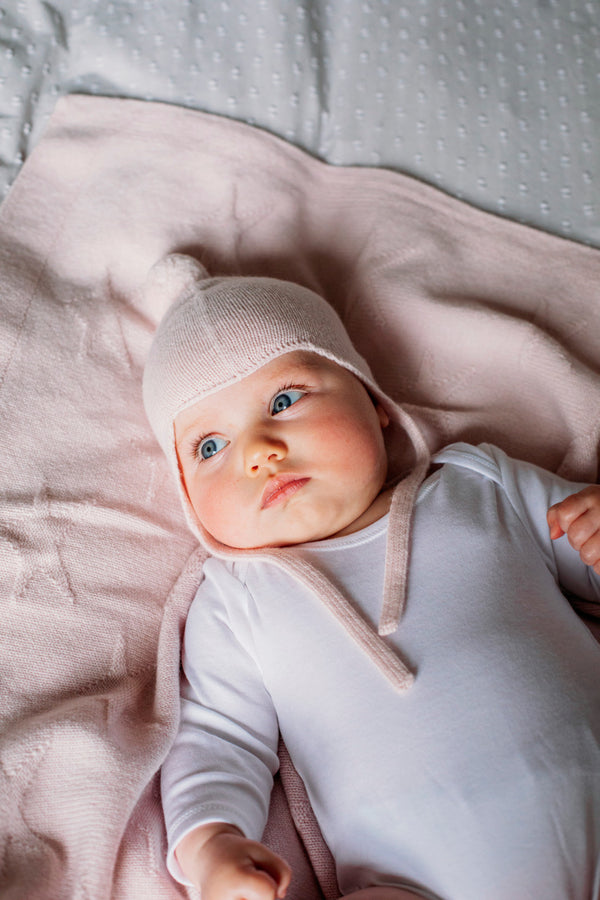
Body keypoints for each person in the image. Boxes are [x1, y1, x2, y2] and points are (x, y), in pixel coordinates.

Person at [142, 254, 600, 900]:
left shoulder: (480, 485)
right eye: (209, 447)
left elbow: (588, 555)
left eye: (284, 399)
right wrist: (212, 847)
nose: (259, 452)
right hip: (415, 885)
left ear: (375, 402)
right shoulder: (237, 600)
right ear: (188, 495)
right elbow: (217, 740)